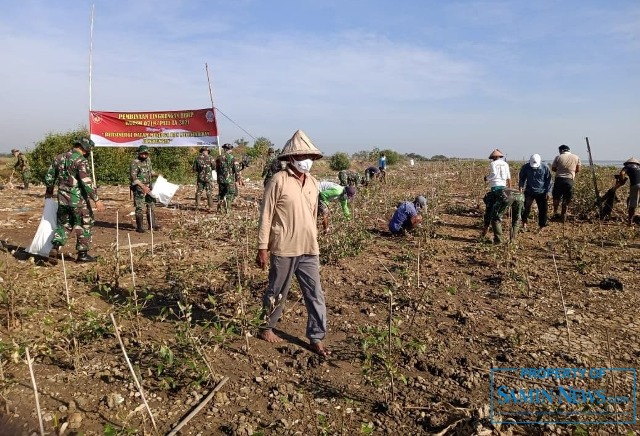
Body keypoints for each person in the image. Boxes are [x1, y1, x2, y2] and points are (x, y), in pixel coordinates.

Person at [256, 129, 330, 356]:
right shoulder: (278, 180)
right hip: (284, 248)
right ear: (290, 159)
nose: (306, 161)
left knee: (315, 293)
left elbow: (314, 211)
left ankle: (316, 336)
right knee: (277, 291)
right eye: (301, 157)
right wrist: (262, 247)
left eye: (309, 157)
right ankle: (266, 327)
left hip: (309, 247)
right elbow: (266, 214)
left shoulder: (313, 183)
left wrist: (323, 223)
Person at [44, 137, 105, 264]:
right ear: (84, 147)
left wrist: (49, 192)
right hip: (78, 201)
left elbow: (49, 177)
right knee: (84, 224)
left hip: (62, 200)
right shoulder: (80, 160)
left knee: (64, 225)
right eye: (88, 150)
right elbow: (86, 182)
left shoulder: (58, 158)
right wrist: (96, 199)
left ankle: (55, 247)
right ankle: (83, 254)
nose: (88, 152)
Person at [481, 149, 511, 243]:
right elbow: (508, 177)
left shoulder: (493, 164)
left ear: (493, 158)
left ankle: (487, 230)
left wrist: (486, 178)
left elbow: (493, 174)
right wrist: (509, 189)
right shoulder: (505, 164)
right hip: (503, 187)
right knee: (499, 208)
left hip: (495, 187)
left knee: (490, 208)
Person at [130, 145, 160, 233]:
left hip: (149, 187)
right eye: (142, 154)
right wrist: (143, 187)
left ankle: (152, 225)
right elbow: (134, 178)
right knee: (139, 207)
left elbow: (151, 171)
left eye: (146, 154)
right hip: (139, 188)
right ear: (139, 153)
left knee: (151, 205)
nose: (144, 155)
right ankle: (140, 227)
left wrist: (157, 174)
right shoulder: (134, 162)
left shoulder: (148, 160)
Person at [518, 154, 552, 231]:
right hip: (529, 191)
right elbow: (522, 178)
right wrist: (520, 187)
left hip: (542, 191)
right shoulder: (525, 167)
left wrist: (548, 192)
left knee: (543, 209)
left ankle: (542, 226)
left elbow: (549, 181)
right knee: (525, 208)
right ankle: (524, 223)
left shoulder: (545, 167)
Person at [551, 144, 581, 222]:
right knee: (566, 197)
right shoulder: (576, 157)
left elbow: (553, 168)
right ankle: (563, 214)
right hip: (569, 180)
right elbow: (578, 170)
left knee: (556, 197)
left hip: (559, 179)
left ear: (561, 150)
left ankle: (555, 212)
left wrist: (560, 171)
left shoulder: (558, 157)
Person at [215, 143, 241, 213]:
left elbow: (216, 169)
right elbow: (236, 170)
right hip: (229, 179)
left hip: (221, 179)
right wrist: (238, 178)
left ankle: (219, 209)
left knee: (221, 194)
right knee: (230, 193)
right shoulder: (233, 158)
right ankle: (228, 209)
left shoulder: (218, 158)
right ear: (229, 149)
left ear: (224, 149)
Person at [192, 146, 216, 211]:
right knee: (209, 192)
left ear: (201, 151)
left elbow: (194, 169)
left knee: (199, 192)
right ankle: (210, 207)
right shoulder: (211, 158)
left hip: (200, 178)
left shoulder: (197, 158)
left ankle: (197, 206)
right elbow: (214, 167)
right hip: (209, 178)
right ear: (208, 151)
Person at [619, 157, 640, 224]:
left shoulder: (627, 167)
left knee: (633, 203)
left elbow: (622, 173)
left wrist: (621, 181)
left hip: (635, 185)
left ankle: (630, 221)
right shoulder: (639, 168)